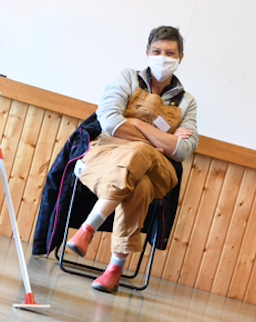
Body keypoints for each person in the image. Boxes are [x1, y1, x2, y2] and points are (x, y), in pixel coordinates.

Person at [64, 26, 199, 293]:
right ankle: (115, 268)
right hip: (107, 155)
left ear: (180, 57)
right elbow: (111, 121)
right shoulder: (127, 78)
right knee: (140, 186)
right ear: (147, 53)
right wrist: (165, 139)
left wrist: (138, 129)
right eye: (157, 52)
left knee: (141, 152)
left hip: (159, 168)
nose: (163, 57)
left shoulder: (187, 102)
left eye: (170, 53)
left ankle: (87, 228)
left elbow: (184, 150)